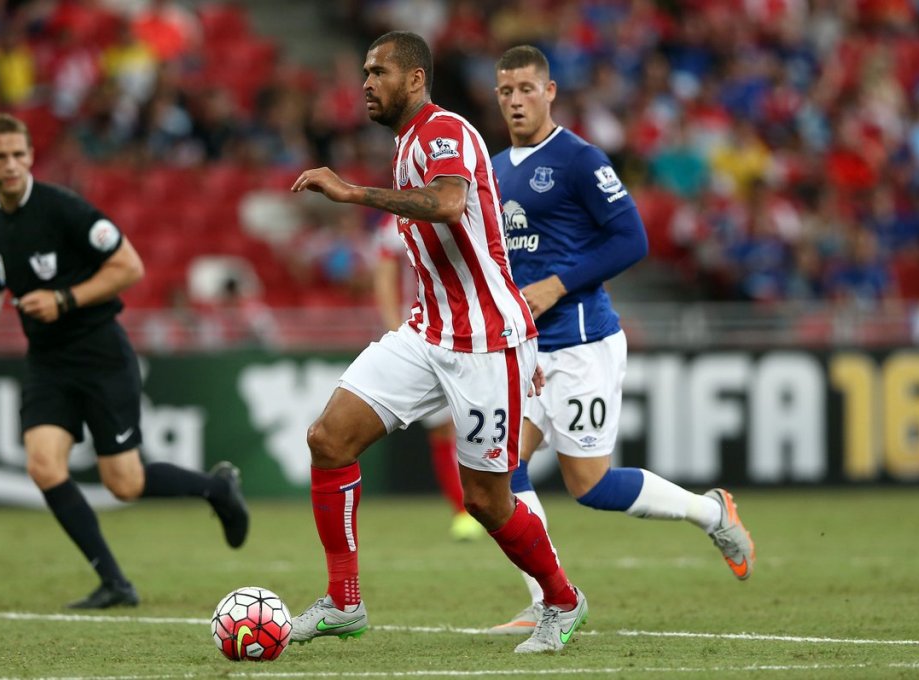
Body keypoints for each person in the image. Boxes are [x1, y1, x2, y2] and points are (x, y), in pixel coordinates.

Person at [289, 31, 587, 654]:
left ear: (416, 79)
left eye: (379, 72)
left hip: (487, 341)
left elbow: (450, 204)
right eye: (364, 72)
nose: (366, 83)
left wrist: (353, 193)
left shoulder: (441, 131)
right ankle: (343, 603)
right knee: (328, 439)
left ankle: (561, 600)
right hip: (428, 330)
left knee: (485, 500)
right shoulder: (406, 145)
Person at [486, 45, 756, 636]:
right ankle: (548, 599)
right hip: (528, 349)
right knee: (502, 473)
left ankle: (711, 512)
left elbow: (631, 240)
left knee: (591, 485)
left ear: (550, 91)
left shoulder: (580, 160)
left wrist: (557, 285)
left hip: (581, 343)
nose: (515, 101)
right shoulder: (497, 166)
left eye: (526, 89)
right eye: (505, 91)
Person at [0, 113, 249, 609]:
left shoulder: (63, 209)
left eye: (18, 154)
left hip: (100, 353)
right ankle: (115, 582)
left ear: (31, 156)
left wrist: (64, 299)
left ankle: (216, 489)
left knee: (124, 483)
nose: (10, 165)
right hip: (47, 362)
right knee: (44, 465)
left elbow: (129, 266)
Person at [372, 213, 485, 542]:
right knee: (443, 429)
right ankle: (464, 511)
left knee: (478, 421)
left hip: (471, 330)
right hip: (423, 334)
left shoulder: (462, 206)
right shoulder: (392, 220)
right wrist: (395, 330)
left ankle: (488, 504)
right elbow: (384, 274)